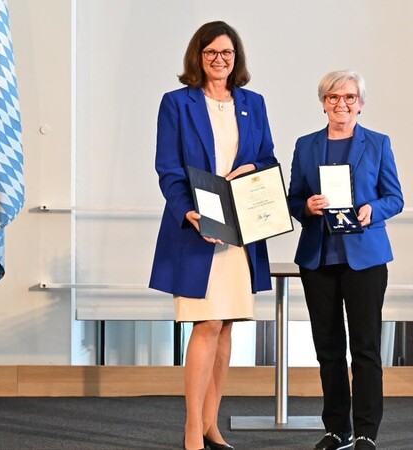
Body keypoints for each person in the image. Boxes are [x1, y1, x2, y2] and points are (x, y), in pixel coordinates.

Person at [149, 21, 276, 450]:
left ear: (236, 58)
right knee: (206, 323)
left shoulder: (253, 103)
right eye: (211, 53)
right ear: (197, 57)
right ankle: (190, 427)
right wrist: (192, 215)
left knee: (227, 328)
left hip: (241, 227)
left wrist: (253, 170)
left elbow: (268, 158)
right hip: (196, 229)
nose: (219, 60)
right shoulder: (177, 104)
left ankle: (210, 423)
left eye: (227, 53)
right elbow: (168, 169)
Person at [287, 70, 404, 450]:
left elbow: (395, 197)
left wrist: (374, 209)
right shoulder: (306, 146)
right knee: (328, 349)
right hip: (318, 259)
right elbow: (292, 198)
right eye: (334, 97)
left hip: (365, 259)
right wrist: (305, 206)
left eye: (350, 97)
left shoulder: (379, 143)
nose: (342, 104)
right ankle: (337, 429)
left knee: (366, 348)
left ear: (361, 103)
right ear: (323, 102)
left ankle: (367, 432)